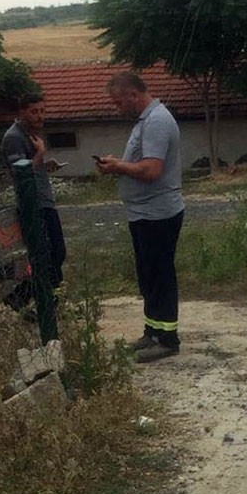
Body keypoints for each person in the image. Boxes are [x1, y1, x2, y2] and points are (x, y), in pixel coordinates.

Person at [96, 71, 185, 363]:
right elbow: (141, 163)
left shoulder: (157, 121)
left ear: (134, 95)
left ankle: (168, 339)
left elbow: (150, 170)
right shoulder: (145, 121)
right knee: (147, 276)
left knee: (160, 275)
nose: (117, 108)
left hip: (157, 213)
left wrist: (119, 167)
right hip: (143, 212)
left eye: (119, 102)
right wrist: (119, 163)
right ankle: (152, 331)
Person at [1, 93, 67, 316]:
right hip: (33, 205)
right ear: (22, 113)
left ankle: (52, 304)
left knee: (55, 253)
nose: (40, 116)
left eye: (42, 111)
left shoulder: (31, 134)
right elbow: (22, 172)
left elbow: (33, 167)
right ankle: (24, 298)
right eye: (34, 111)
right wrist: (40, 153)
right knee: (49, 254)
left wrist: (45, 164)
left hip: (44, 200)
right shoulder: (14, 138)